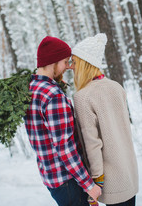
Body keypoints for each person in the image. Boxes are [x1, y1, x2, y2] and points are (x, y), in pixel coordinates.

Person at [24, 36, 102, 206]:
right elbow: (65, 148)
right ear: (54, 61)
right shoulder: (53, 96)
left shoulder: (31, 88)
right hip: (68, 180)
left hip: (52, 177)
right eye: (65, 61)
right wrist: (88, 185)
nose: (68, 66)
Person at [71, 33, 139, 206]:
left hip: (111, 180)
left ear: (85, 64)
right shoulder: (116, 87)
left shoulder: (83, 97)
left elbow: (93, 144)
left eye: (75, 62)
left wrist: (96, 181)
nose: (71, 67)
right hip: (129, 173)